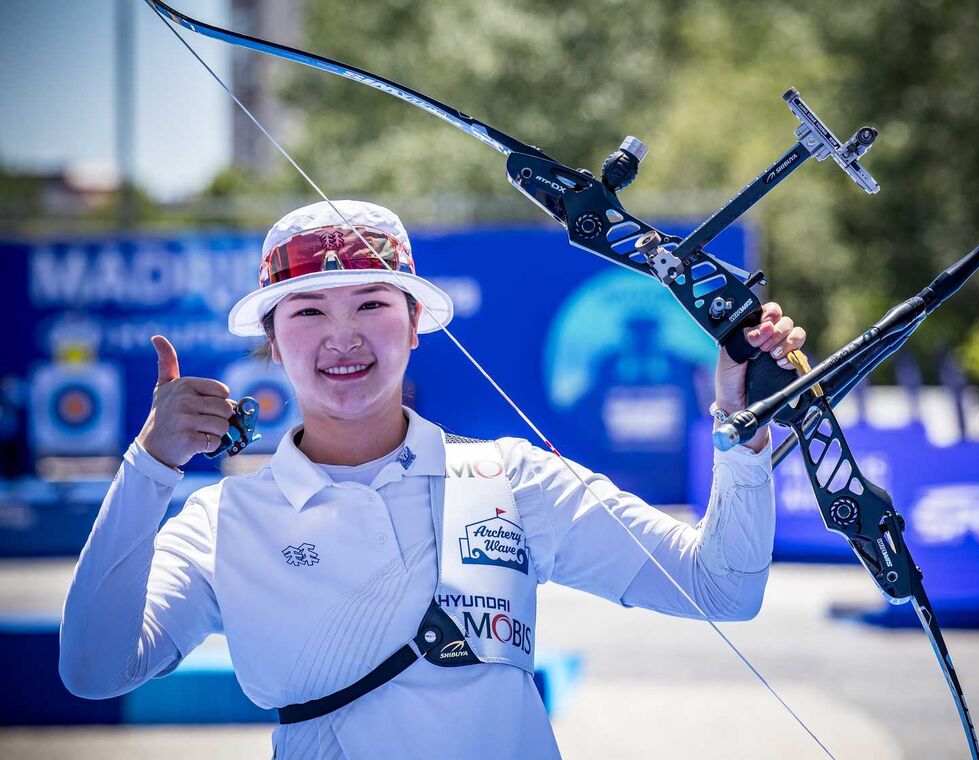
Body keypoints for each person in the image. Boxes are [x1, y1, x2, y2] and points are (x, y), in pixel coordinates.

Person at [58, 200, 807, 759]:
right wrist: (149, 467)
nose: (342, 335)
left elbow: (722, 588)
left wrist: (739, 432)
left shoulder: (513, 478)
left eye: (373, 304)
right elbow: (93, 670)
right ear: (273, 345)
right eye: (309, 310)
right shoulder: (224, 519)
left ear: (415, 324)